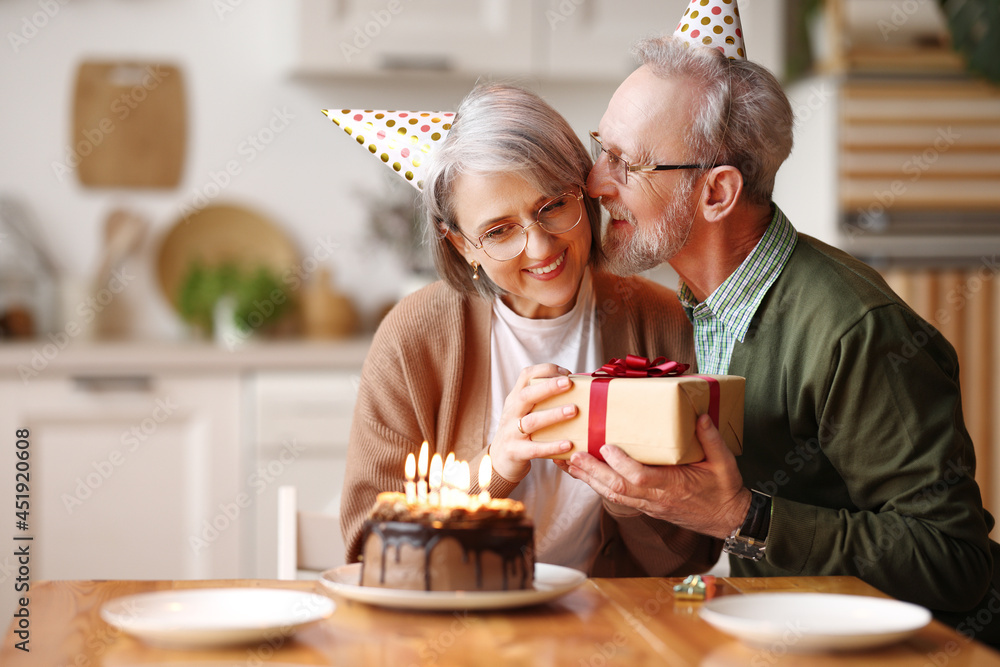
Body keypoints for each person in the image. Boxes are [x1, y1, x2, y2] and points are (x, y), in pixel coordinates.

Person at [567, 10, 1000, 643]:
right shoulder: (684, 310)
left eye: (626, 163)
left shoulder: (855, 331)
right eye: (601, 148)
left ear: (717, 193)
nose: (595, 182)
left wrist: (744, 517)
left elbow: (952, 560)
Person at [339, 83, 719, 577]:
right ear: (460, 246)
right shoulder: (414, 338)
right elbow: (365, 551)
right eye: (498, 231)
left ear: (584, 191)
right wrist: (492, 472)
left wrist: (633, 495)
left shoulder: (661, 321)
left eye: (552, 206)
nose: (540, 248)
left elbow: (688, 559)